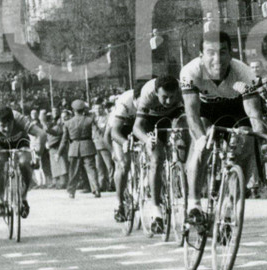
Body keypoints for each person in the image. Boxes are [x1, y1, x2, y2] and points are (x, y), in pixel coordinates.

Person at [180, 31, 267, 227]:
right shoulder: (191, 72)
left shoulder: (244, 73)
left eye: (223, 52)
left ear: (230, 54)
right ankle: (194, 205)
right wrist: (201, 138)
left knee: (246, 144)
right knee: (200, 147)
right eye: (210, 53)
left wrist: (258, 134)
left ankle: (230, 204)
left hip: (235, 108)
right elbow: (192, 115)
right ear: (201, 55)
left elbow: (254, 114)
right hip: (206, 109)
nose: (217, 59)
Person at [133, 76, 185, 232]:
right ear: (156, 92)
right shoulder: (147, 93)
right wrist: (147, 140)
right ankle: (156, 211)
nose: (168, 101)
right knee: (156, 159)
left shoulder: (182, 90)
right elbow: (137, 127)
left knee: (186, 143)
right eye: (164, 97)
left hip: (175, 116)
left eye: (172, 97)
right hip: (151, 121)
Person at [0, 105, 44, 219]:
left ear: (13, 120)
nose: (7, 129)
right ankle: (1, 200)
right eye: (3, 126)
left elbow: (41, 134)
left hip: (20, 141)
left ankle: (23, 198)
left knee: (25, 162)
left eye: (9, 124)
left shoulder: (19, 118)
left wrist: (37, 157)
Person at [109, 82, 145, 222]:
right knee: (123, 164)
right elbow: (113, 132)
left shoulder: (152, 99)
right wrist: (119, 147)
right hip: (122, 129)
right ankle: (119, 203)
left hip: (140, 126)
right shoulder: (125, 101)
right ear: (135, 99)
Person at [62, 99, 103, 199]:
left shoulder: (68, 123)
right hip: (88, 146)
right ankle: (96, 189)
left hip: (74, 147)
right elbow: (97, 132)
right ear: (83, 109)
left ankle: (71, 192)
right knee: (91, 169)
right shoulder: (89, 120)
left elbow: (64, 139)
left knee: (73, 171)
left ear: (73, 110)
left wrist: (59, 153)